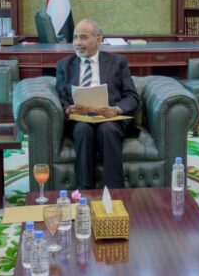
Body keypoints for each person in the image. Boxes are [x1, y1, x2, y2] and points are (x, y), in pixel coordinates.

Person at [55, 19, 140, 189]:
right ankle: (85, 191)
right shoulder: (64, 65)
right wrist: (68, 109)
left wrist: (116, 109)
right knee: (83, 130)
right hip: (80, 119)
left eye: (83, 37)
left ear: (99, 40)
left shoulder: (118, 62)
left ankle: (114, 192)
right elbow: (61, 96)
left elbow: (132, 97)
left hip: (111, 119)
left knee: (107, 129)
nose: (77, 43)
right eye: (75, 37)